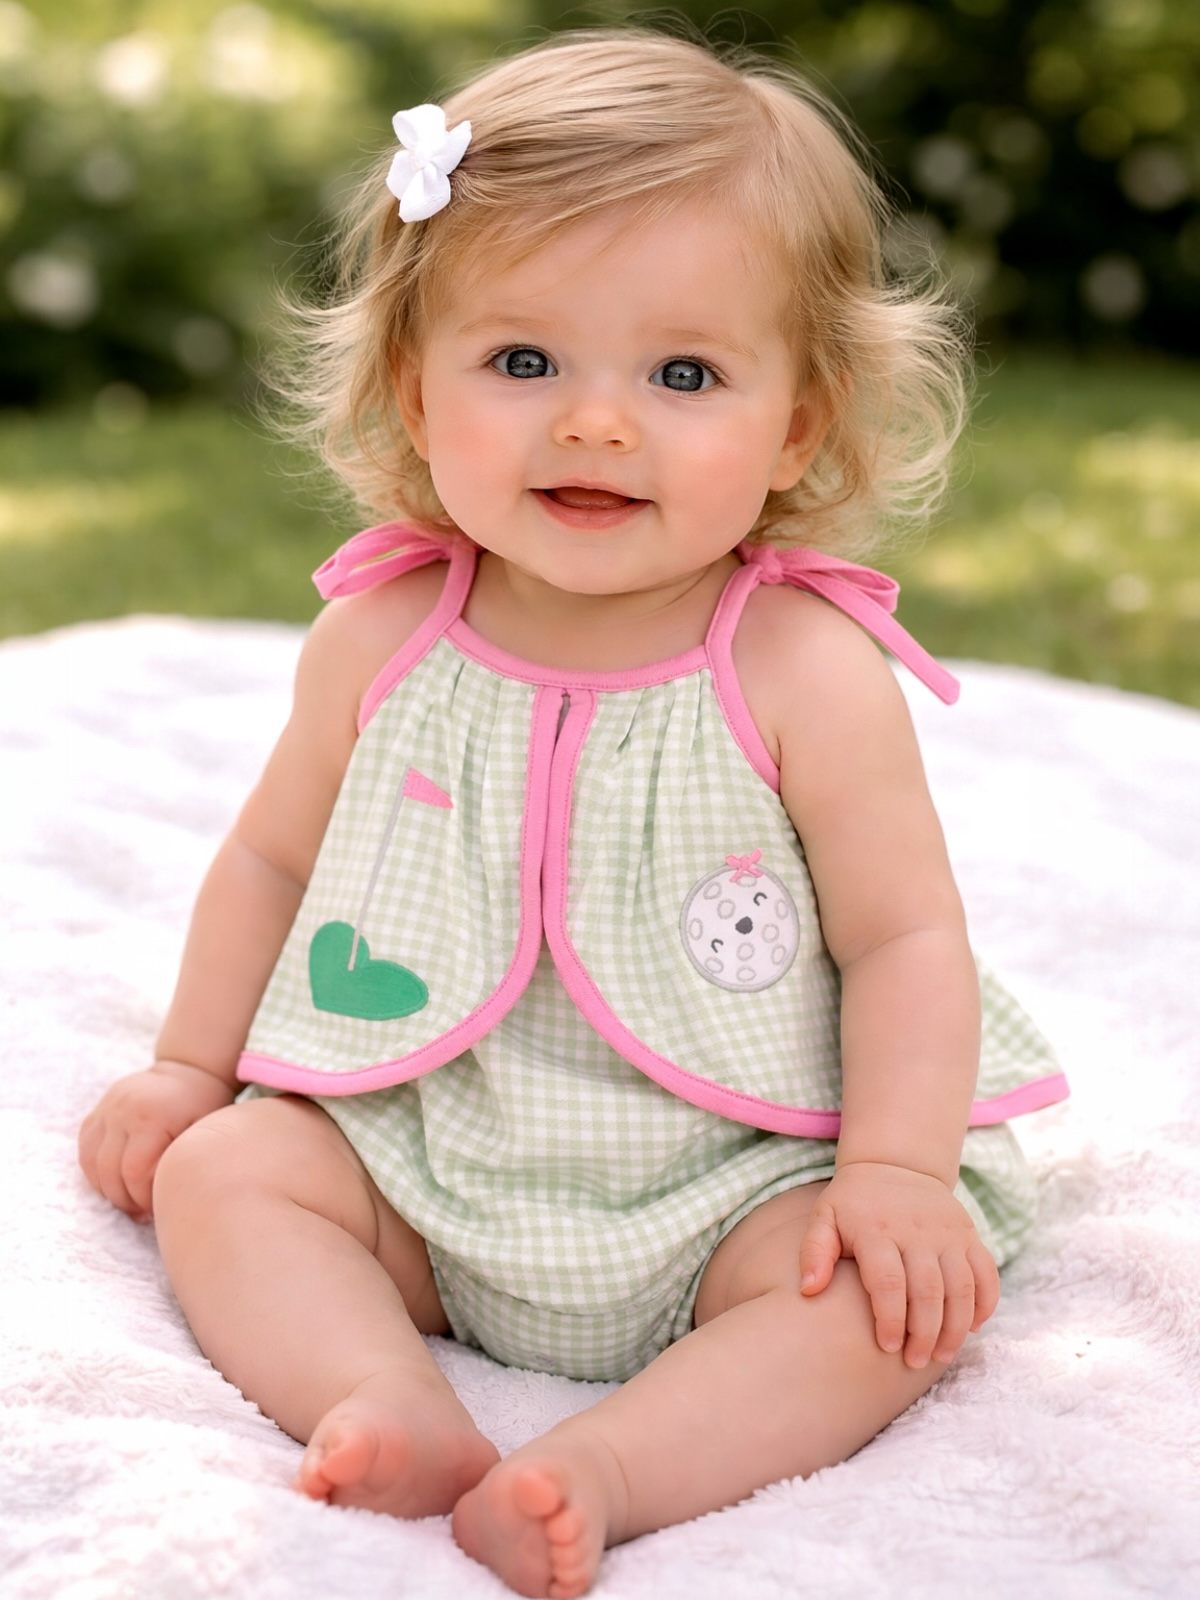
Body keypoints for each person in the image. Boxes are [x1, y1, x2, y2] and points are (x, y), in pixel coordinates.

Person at [78, 30, 1067, 1600]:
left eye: (684, 375)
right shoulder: (377, 637)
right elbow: (271, 856)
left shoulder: (801, 667)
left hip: (738, 1177)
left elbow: (903, 937)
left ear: (798, 423)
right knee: (225, 1176)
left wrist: (889, 1174)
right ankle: (385, 1395)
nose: (597, 423)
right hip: (430, 1151)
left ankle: (611, 1465)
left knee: (881, 1302)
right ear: (416, 384)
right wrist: (191, 1068)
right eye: (524, 362)